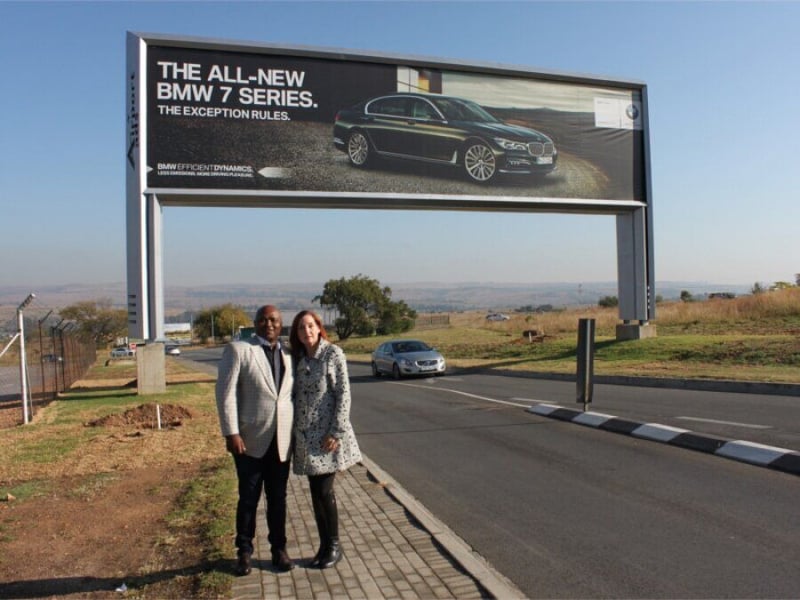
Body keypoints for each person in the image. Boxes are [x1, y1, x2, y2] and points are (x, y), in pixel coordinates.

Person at [215, 305, 295, 575]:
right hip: (249, 441)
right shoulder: (239, 350)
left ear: (281, 323)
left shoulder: (289, 354)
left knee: (278, 499)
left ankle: (279, 550)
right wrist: (231, 432)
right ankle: (244, 552)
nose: (268, 324)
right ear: (255, 323)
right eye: (263, 320)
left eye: (273, 320)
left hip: (281, 442)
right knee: (248, 499)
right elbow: (225, 394)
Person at [289, 310, 362, 569]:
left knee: (324, 490)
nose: (306, 331)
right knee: (315, 492)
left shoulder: (333, 354)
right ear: (296, 334)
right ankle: (323, 545)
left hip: (328, 437)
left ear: (319, 328)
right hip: (306, 437)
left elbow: (344, 394)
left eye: (310, 326)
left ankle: (334, 545)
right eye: (300, 328)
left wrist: (336, 432)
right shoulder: (299, 358)